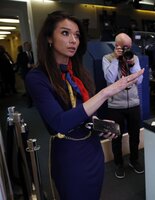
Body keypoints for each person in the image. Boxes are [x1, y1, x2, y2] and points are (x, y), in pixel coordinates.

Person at [25, 11, 144, 200]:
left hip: (93, 150)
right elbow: (59, 123)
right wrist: (106, 92)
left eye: (77, 35)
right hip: (70, 157)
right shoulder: (37, 78)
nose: (73, 40)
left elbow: (83, 111)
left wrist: (96, 123)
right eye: (65, 33)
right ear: (49, 38)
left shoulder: (77, 72)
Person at [102, 32, 144, 179]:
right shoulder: (107, 58)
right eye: (125, 47)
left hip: (133, 103)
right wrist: (116, 59)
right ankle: (119, 164)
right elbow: (110, 79)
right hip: (115, 106)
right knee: (116, 137)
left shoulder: (134, 57)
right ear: (117, 46)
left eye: (129, 47)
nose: (128, 50)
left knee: (135, 135)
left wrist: (132, 64)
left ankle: (134, 160)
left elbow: (139, 80)